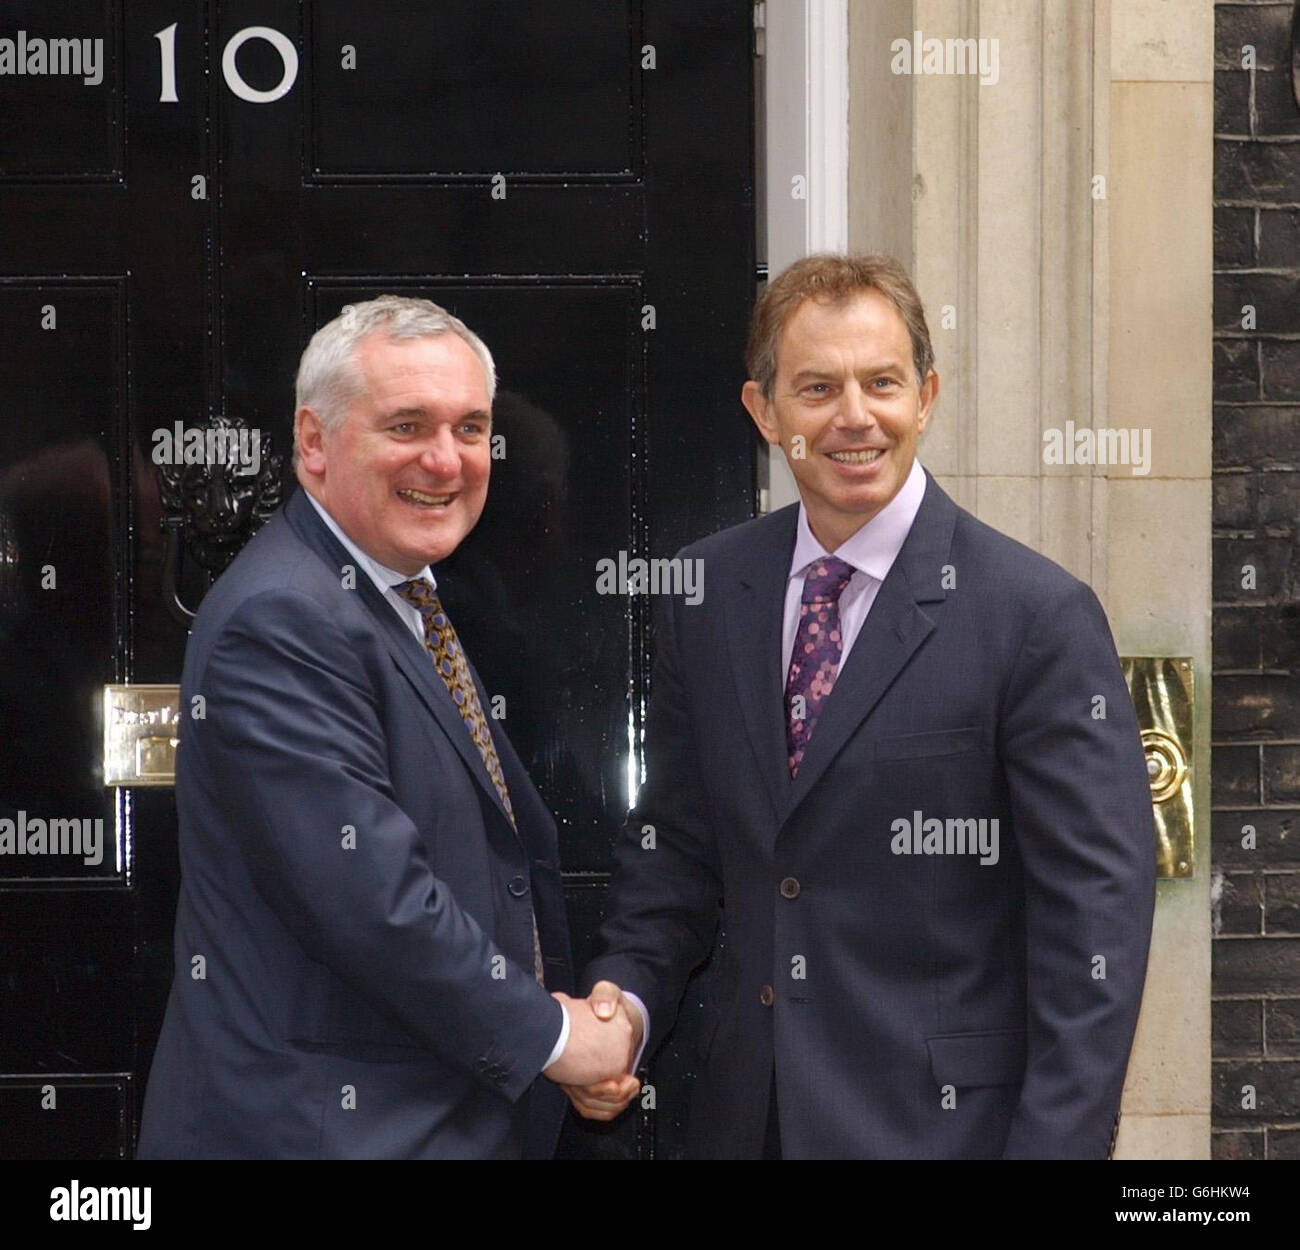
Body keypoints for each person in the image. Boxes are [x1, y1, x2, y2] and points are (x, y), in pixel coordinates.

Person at [567, 254, 1156, 1158]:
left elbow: (1095, 928)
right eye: (817, 387)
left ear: (926, 395)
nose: (855, 416)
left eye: (881, 382)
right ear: (765, 413)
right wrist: (623, 1011)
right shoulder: (709, 593)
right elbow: (679, 852)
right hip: (743, 1126)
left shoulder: (1036, 617)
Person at [138, 296, 638, 1159]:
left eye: (471, 428)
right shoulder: (284, 618)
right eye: (406, 425)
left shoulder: (401, 597)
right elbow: (373, 904)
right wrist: (557, 1041)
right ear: (314, 443)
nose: (445, 460)